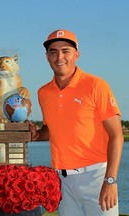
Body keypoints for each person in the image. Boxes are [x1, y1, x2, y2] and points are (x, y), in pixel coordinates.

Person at [29, 29, 124, 216]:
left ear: (76, 55)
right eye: (53, 52)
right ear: (47, 56)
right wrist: (38, 135)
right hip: (63, 182)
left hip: (97, 178)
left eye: (66, 51)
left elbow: (116, 134)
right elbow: (52, 129)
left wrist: (110, 180)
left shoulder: (96, 85)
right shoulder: (43, 93)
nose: (59, 57)